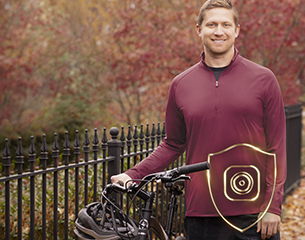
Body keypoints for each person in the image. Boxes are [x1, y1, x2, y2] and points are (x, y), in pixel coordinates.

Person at [110, 1, 286, 239]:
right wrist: (132, 175)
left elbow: (276, 147)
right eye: (211, 24)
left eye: (226, 24)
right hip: (201, 214)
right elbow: (173, 143)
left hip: (251, 212)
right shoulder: (181, 84)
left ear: (237, 30)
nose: (218, 31)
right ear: (199, 30)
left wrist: (272, 207)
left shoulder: (264, 79)